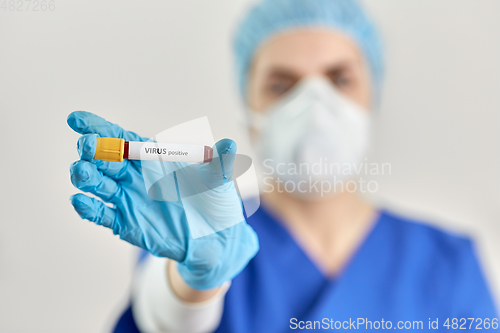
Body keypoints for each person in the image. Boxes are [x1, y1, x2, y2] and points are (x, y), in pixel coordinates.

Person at [67, 0, 498, 332]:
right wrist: (195, 282)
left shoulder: (447, 265)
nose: (314, 106)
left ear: (373, 95)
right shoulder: (198, 231)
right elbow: (163, 314)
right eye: (282, 85)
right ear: (249, 108)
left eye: (339, 79)